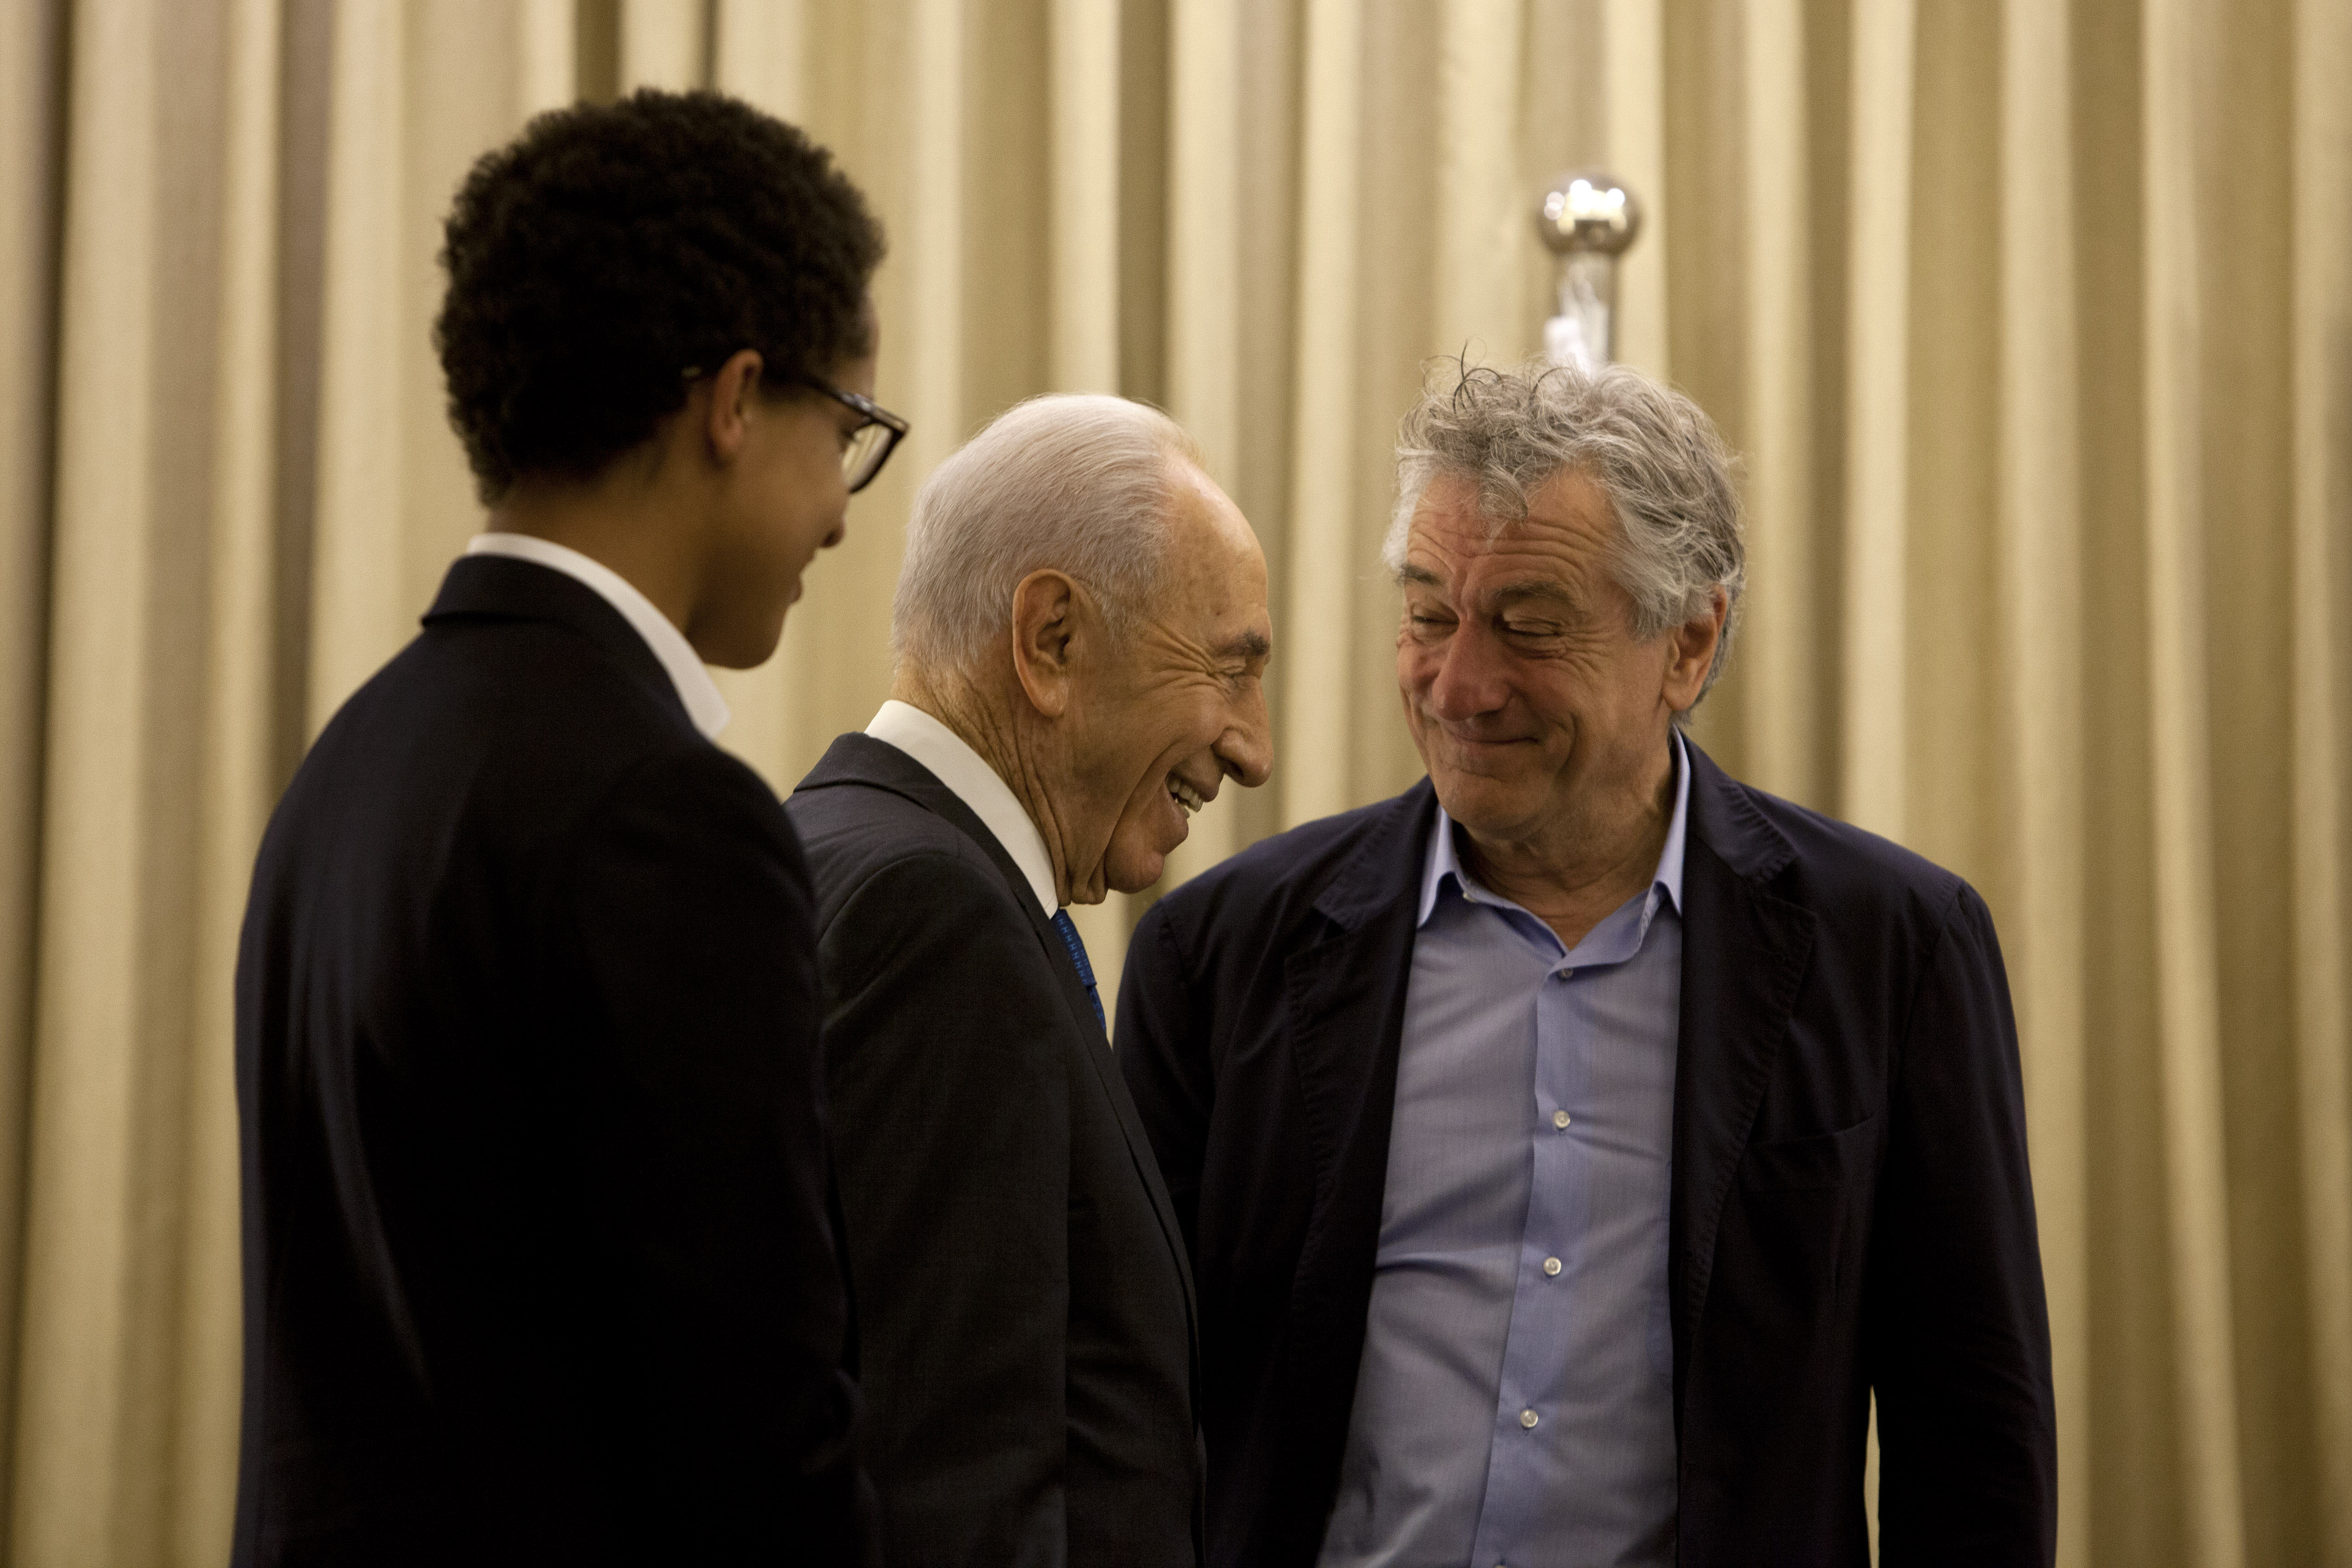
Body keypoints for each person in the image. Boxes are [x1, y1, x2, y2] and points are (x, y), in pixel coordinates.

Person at [1116, 362, 2058, 1568]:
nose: (1459, 685)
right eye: (1428, 615)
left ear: (1688, 643)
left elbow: (1970, 1443)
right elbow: (1123, 1405)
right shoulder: (1219, 952)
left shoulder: (1890, 951)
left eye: (1528, 624)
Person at [231, 91, 901, 1567]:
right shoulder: (665, 815)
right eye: (848, 431)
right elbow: (753, 1443)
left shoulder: (349, 764)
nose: (843, 516)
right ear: (737, 400)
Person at [784, 393, 1273, 1567]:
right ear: (1051, 639)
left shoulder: (836, 846)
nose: (1254, 746)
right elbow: (947, 1483)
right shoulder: (932, 918)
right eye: (1228, 668)